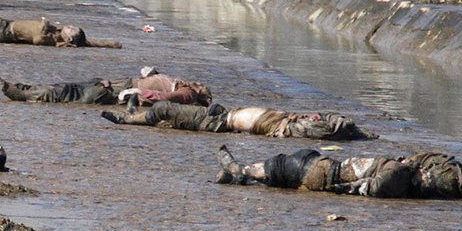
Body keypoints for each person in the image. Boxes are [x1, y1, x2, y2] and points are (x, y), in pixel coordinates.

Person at [214, 145, 462, 200]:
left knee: (287, 166)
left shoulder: (445, 178)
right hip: (331, 171)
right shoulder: (448, 170)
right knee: (288, 167)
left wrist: (352, 188)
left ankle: (238, 172)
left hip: (330, 173)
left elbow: (389, 179)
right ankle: (241, 174)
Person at [101, 101, 376, 140]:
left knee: (163, 111)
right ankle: (132, 115)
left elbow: (335, 125)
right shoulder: (291, 121)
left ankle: (127, 118)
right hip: (223, 116)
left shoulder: (292, 127)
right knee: (163, 120)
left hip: (218, 121)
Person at [0, 67, 211, 106]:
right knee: (67, 87)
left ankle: (23, 95)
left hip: (117, 92)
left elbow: (164, 98)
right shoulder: (178, 83)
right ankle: (25, 88)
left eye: (202, 87)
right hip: (115, 84)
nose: (199, 84)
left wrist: (140, 92)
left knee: (68, 93)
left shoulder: (186, 93)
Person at [0, 9, 122, 48]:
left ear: (70, 39)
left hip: (6, 30)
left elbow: (37, 39)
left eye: (73, 30)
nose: (70, 26)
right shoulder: (59, 31)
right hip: (6, 26)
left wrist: (44, 25)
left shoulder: (53, 39)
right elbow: (90, 42)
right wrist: (112, 43)